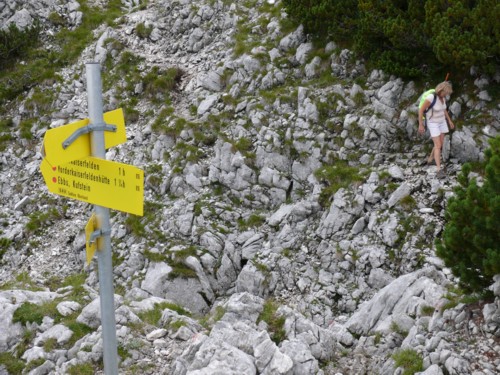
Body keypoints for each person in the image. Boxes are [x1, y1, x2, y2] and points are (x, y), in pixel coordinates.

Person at [418, 81, 455, 179]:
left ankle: (431, 159)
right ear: (441, 90)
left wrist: (449, 121)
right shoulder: (431, 98)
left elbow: (444, 110)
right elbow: (421, 110)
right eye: (445, 93)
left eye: (447, 93)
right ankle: (439, 169)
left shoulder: (443, 98)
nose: (446, 95)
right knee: (438, 146)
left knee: (439, 144)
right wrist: (420, 124)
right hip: (433, 122)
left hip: (442, 122)